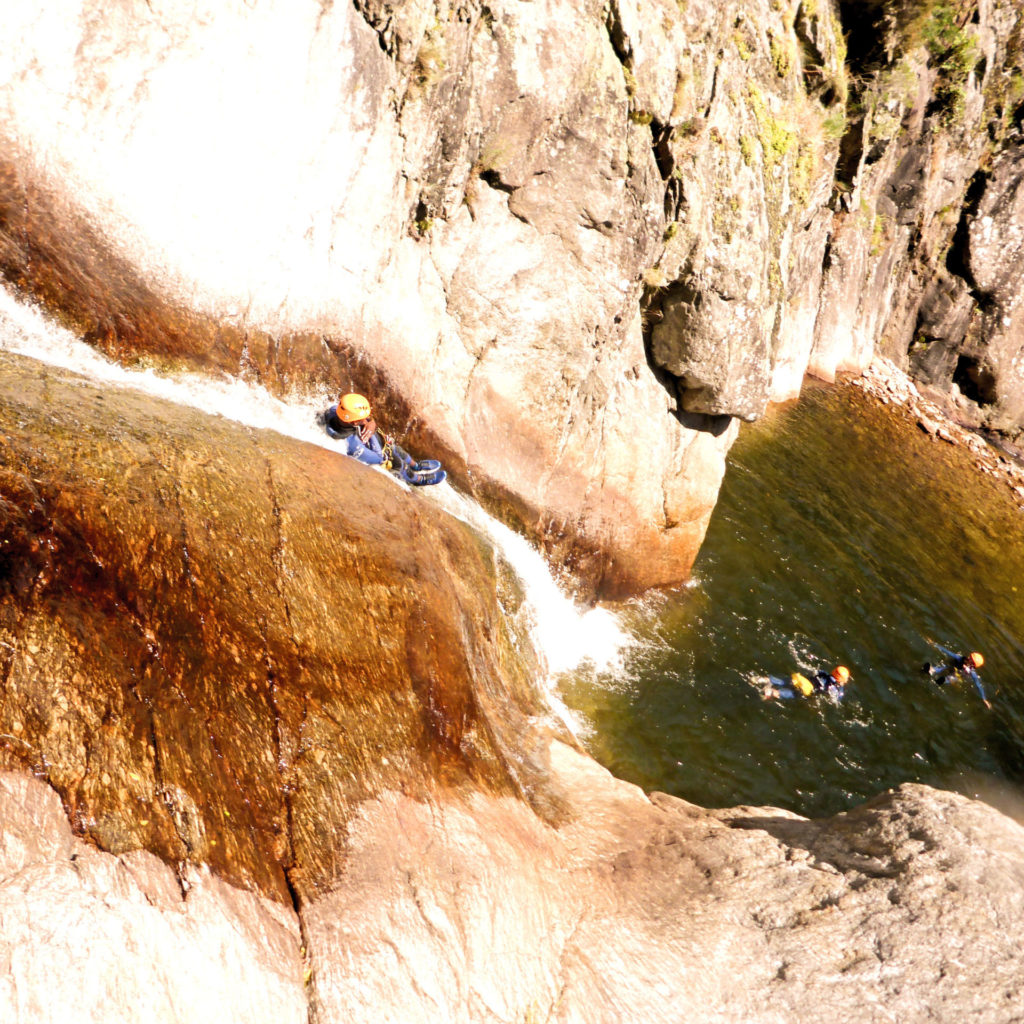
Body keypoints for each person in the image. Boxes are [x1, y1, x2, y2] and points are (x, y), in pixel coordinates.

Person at [323, 393, 446, 486]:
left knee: (398, 450)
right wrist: (371, 434)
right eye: (363, 418)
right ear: (355, 422)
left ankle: (417, 466)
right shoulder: (353, 444)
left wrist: (372, 424)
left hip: (380, 444)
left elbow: (367, 421)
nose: (366, 419)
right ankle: (420, 480)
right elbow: (378, 457)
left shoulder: (337, 412)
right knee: (400, 463)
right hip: (381, 458)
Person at [922, 647, 989, 708]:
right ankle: (931, 670)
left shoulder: (972, 673)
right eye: (970, 656)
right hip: (953, 669)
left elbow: (978, 685)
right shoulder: (961, 659)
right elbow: (949, 653)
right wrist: (936, 645)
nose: (969, 658)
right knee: (945, 667)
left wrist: (984, 699)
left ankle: (943, 681)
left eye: (971, 659)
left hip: (958, 677)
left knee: (953, 678)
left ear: (973, 665)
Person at [762, 665, 851, 702]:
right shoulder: (834, 687)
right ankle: (771, 692)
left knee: (784, 681)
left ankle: (764, 679)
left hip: (802, 679)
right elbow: (836, 698)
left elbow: (817, 671)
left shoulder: (824, 673)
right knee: (791, 693)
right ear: (841, 680)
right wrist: (841, 687)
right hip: (807, 688)